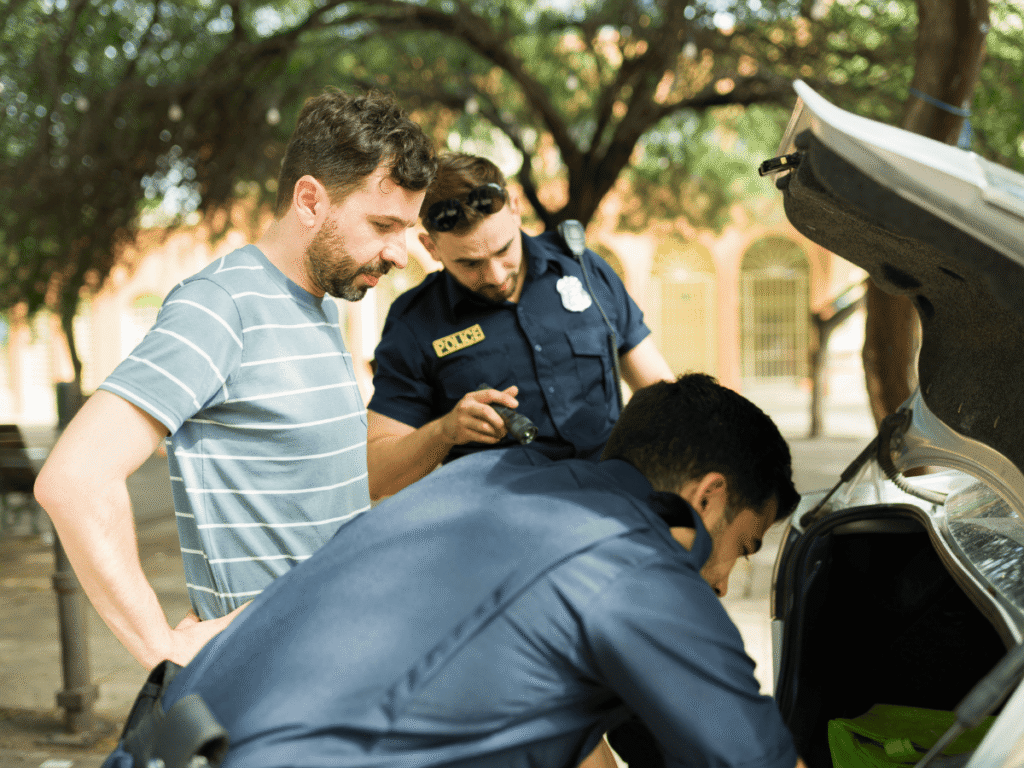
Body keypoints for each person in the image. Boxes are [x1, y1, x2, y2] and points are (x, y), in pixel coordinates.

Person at [102, 374, 807, 768]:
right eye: (741, 548)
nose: (720, 584)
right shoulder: (634, 561)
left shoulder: (488, 479)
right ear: (708, 496)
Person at [34, 88, 437, 670]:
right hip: (268, 686)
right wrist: (164, 649)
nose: (401, 253)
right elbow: (73, 479)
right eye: (382, 225)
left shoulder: (320, 302)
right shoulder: (219, 307)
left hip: (347, 662)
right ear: (309, 201)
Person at [365, 153, 674, 500]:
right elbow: (376, 476)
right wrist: (444, 431)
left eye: (504, 250)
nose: (496, 276)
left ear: (515, 208)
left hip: (616, 507)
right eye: (470, 264)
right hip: (506, 534)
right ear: (430, 247)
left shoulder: (584, 269)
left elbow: (664, 397)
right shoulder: (414, 323)